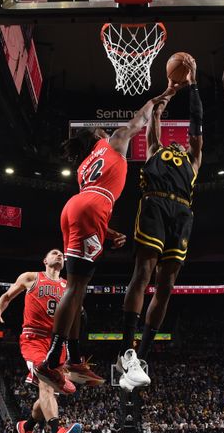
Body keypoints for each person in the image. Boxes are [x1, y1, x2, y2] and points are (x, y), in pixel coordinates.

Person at [33, 90, 176, 396]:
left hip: (75, 208)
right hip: (93, 208)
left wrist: (108, 233)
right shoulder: (113, 144)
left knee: (77, 289)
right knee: (75, 288)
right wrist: (159, 99)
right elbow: (138, 121)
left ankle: (72, 359)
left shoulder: (85, 166)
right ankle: (50, 361)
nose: (108, 130)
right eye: (102, 130)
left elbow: (89, 199)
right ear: (98, 135)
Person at [118, 55, 201, 391]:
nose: (180, 141)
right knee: (143, 274)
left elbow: (197, 122)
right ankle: (126, 350)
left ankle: (141, 356)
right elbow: (154, 118)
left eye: (184, 140)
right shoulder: (155, 148)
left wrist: (194, 85)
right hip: (155, 203)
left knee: (166, 285)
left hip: (182, 213)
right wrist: (167, 95)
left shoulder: (194, 158)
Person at [0, 249, 94, 433]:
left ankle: (26, 428)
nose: (60, 255)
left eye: (62, 254)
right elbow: (7, 296)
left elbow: (75, 320)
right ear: (45, 260)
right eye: (54, 253)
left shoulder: (69, 287)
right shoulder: (31, 277)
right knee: (46, 384)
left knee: (47, 396)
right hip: (34, 339)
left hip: (57, 343)